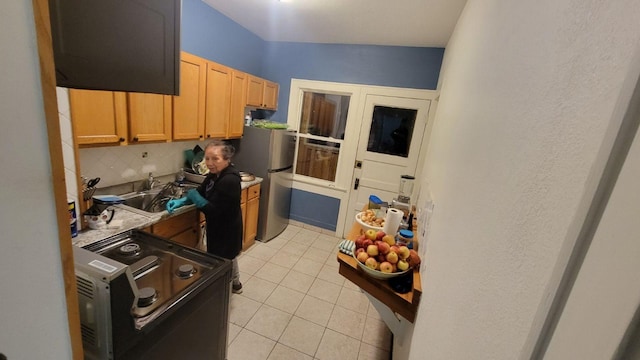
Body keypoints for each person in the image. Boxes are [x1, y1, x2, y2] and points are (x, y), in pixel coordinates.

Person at [166, 140, 244, 294]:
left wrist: (195, 197)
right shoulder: (215, 175)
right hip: (218, 227)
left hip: (227, 229)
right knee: (228, 257)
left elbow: (213, 210)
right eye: (207, 158)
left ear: (227, 160)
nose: (209, 163)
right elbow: (201, 191)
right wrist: (183, 200)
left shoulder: (230, 180)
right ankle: (236, 284)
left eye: (215, 159)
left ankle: (223, 294)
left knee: (223, 259)